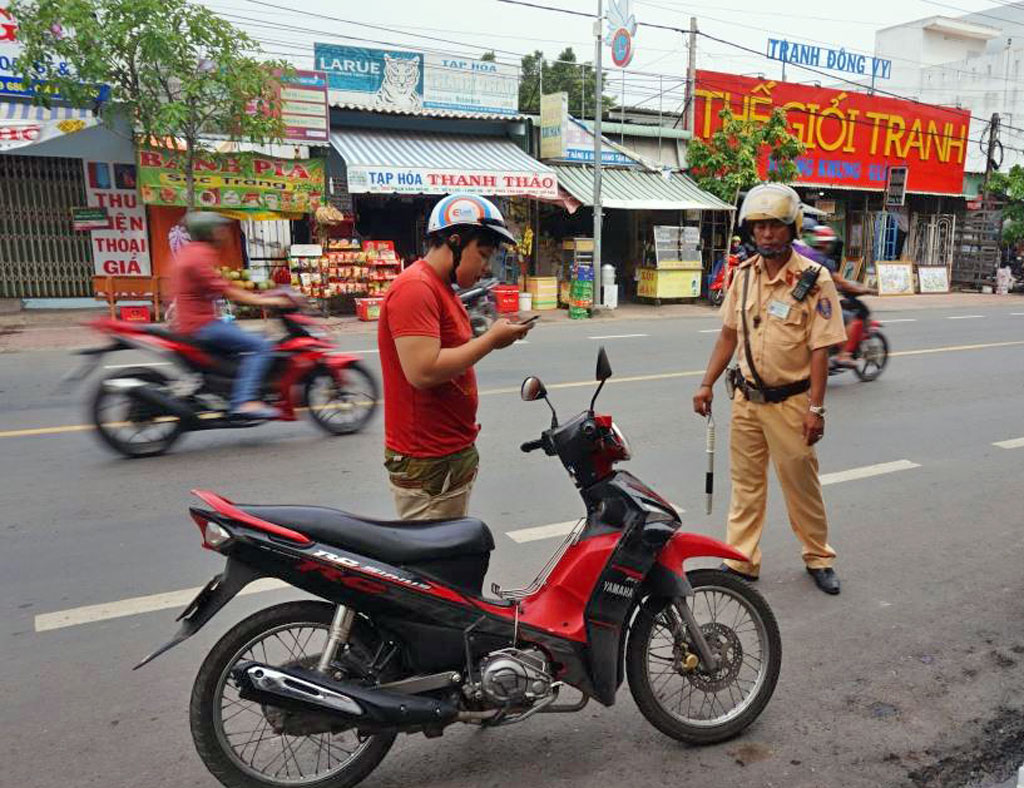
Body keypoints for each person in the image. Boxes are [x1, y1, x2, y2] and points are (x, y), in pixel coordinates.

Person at [692, 183, 847, 595]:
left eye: (775, 225)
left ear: (792, 227)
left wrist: (817, 409)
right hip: (746, 400)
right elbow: (728, 335)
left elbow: (820, 350)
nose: (765, 234)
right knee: (745, 485)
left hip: (791, 403)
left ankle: (818, 556)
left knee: (801, 484)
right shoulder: (742, 277)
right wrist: (706, 383)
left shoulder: (815, 281)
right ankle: (741, 559)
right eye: (758, 226)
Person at [378, 193, 534, 520]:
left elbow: (450, 354)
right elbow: (423, 371)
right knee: (436, 565)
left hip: (445, 456)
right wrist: (490, 340)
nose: (486, 267)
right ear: (455, 241)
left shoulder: (440, 287)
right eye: (483, 254)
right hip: (428, 458)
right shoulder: (415, 288)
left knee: (449, 557)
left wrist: (495, 339)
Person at [170, 212, 293, 420]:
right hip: (202, 326)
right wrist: (266, 301)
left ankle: (233, 388)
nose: (224, 233)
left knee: (261, 335)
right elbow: (226, 290)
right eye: (220, 229)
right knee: (262, 346)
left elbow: (219, 287)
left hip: (195, 322)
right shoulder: (200, 255)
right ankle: (244, 401)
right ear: (209, 232)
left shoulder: (191, 252)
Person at [801, 223, 875, 368]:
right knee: (851, 319)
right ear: (827, 244)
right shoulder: (824, 261)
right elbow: (843, 283)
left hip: (806, 300)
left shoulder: (805, 255)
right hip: (820, 303)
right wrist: (864, 290)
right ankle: (843, 355)